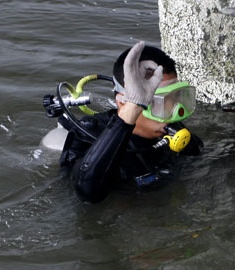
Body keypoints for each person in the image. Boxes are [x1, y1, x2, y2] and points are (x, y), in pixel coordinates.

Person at [58, 41, 202, 202]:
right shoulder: (89, 136)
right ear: (124, 103)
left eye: (175, 97)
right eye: (159, 102)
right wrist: (132, 110)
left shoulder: (169, 129)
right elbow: (87, 193)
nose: (172, 110)